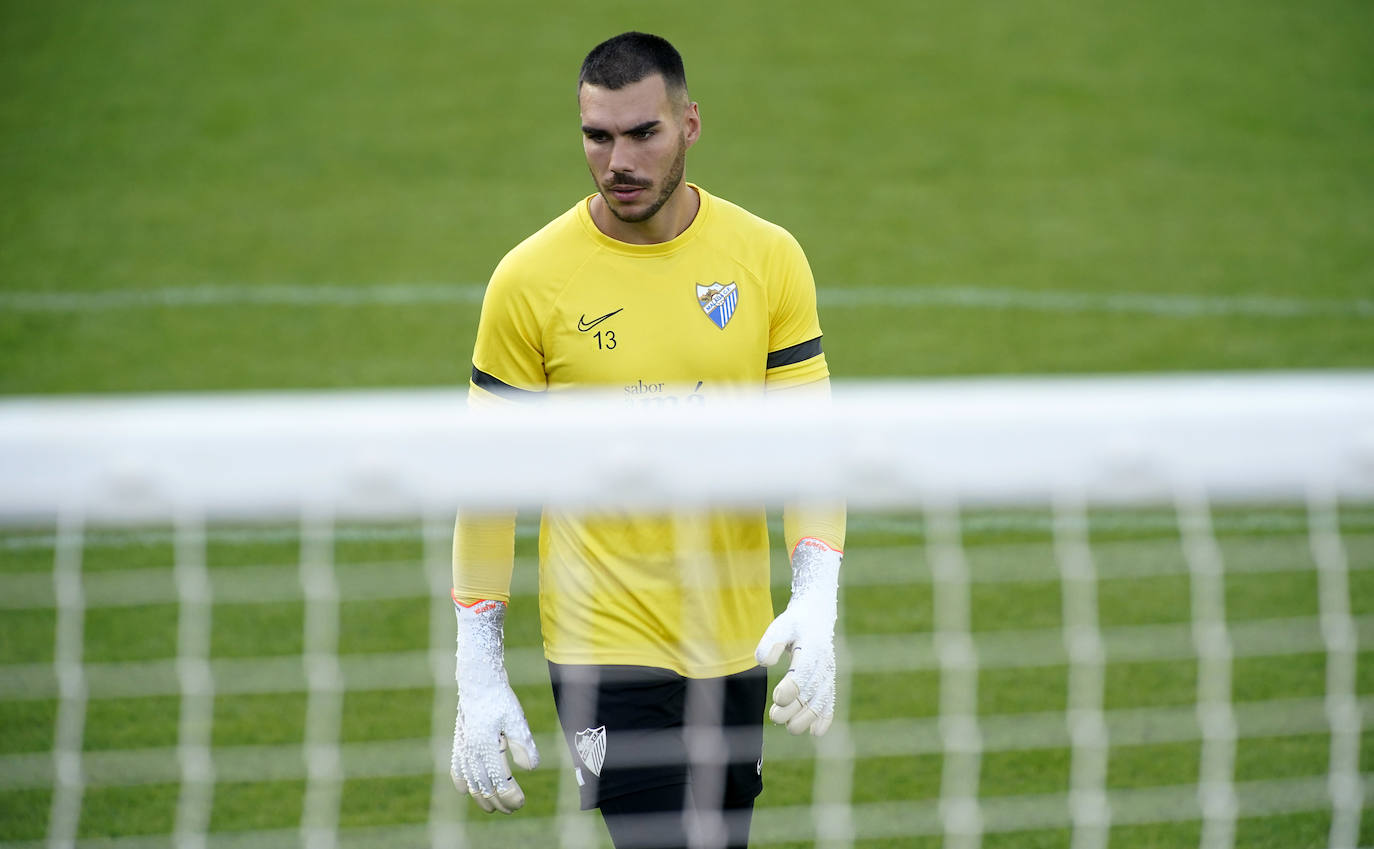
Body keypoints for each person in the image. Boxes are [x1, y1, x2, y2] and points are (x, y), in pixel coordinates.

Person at [449, 31, 846, 849]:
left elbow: (810, 441)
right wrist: (477, 667)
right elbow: (487, 480)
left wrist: (816, 597)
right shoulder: (530, 281)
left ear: (690, 125)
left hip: (735, 635)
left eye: (642, 133)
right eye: (597, 136)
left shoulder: (767, 259)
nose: (616, 160)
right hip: (604, 645)